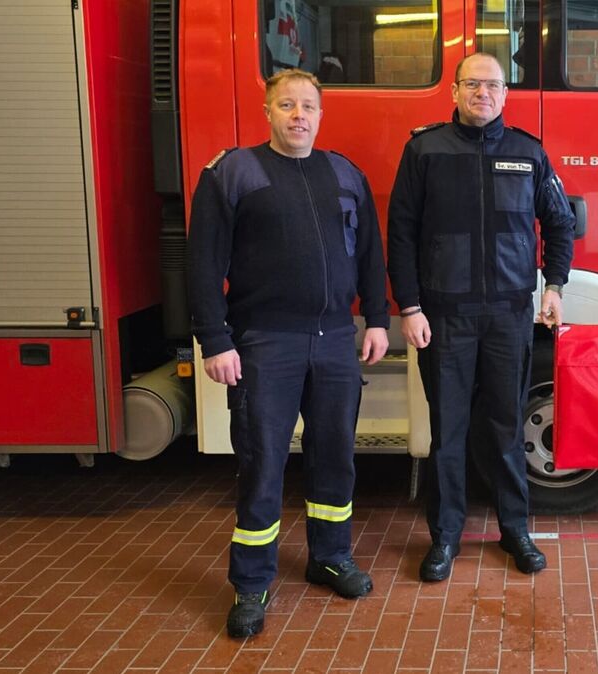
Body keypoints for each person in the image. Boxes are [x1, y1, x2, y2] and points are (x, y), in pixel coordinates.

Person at [186, 68, 390, 638]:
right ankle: (251, 584)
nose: (299, 115)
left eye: (308, 106)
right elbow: (204, 263)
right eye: (287, 106)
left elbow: (371, 255)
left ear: (321, 115)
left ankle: (330, 557)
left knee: (335, 456)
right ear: (267, 111)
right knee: (262, 464)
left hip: (334, 341)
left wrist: (377, 319)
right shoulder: (233, 173)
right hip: (263, 343)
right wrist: (216, 338)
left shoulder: (344, 174)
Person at [387, 53, 575, 582]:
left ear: (504, 94)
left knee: (506, 427)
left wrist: (554, 286)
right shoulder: (424, 150)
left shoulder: (527, 153)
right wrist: (410, 305)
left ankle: (514, 528)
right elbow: (400, 233)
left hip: (509, 318)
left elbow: (559, 224)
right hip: (444, 318)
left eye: (492, 85)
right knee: (448, 430)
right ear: (455, 91)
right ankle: (445, 537)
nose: (483, 93)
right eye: (472, 84)